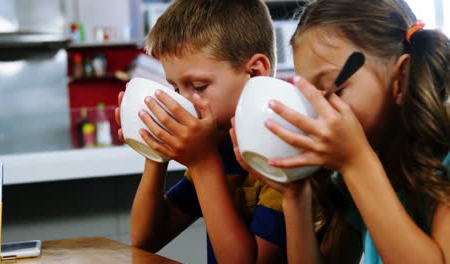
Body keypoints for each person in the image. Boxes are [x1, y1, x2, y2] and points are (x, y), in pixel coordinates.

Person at [230, 0, 450, 263]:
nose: (318, 110)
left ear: (400, 78)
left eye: (336, 89)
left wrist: (356, 162)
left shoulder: (441, 161)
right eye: (310, 97)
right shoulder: (354, 173)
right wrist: (295, 194)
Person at [114, 0, 288, 263]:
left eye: (198, 86)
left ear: (255, 73)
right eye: (176, 89)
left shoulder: (284, 153)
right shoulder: (219, 146)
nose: (185, 102)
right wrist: (154, 150)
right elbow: (146, 239)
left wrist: (204, 163)